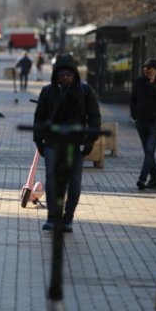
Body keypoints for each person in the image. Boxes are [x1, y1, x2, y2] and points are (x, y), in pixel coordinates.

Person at [33, 53, 101, 232]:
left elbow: (94, 117)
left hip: (75, 144)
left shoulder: (85, 91)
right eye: (61, 74)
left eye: (69, 74)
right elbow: (39, 117)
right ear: (56, 75)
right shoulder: (48, 91)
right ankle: (52, 216)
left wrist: (90, 140)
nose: (65, 78)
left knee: (74, 181)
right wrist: (38, 140)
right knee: (52, 179)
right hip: (53, 143)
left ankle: (68, 217)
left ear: (75, 74)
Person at [130, 58, 156, 190]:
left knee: (149, 151)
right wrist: (134, 115)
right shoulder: (139, 81)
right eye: (145, 67)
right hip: (141, 122)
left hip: (154, 123)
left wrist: (153, 84)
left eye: (149, 68)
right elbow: (133, 98)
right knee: (148, 153)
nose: (146, 70)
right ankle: (155, 181)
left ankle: (142, 179)